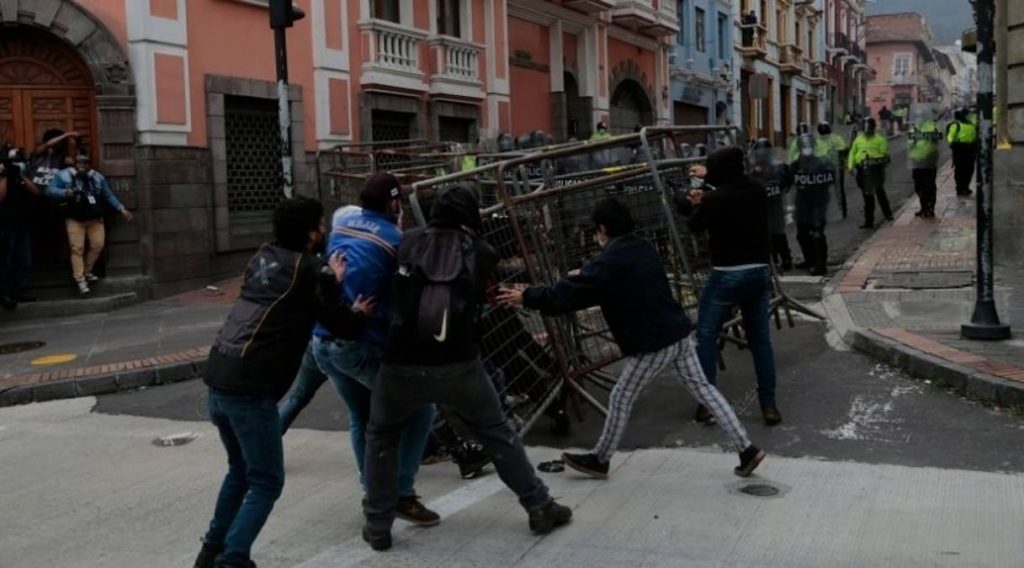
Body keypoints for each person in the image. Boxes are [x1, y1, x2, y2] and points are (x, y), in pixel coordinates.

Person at [362, 185, 572, 551]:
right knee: (497, 432)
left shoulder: (408, 241)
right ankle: (539, 504)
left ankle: (378, 524)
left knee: (381, 436)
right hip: (457, 364)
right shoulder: (483, 251)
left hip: (399, 364)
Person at [498, 197, 766, 480]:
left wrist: (526, 296)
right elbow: (597, 278)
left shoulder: (609, 262)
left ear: (602, 229)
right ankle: (746, 449)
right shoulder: (642, 247)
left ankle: (600, 459)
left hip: (654, 342)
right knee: (705, 390)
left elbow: (572, 292)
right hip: (676, 331)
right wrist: (585, 273)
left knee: (621, 395)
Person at [194, 196, 370, 568]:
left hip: (219, 377)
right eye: (320, 226)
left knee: (240, 471)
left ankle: (210, 552)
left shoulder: (261, 255)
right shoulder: (310, 271)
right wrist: (343, 293)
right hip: (250, 390)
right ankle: (233, 559)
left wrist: (326, 279)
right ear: (310, 233)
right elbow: (342, 325)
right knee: (266, 481)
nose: (324, 232)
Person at [309, 175, 439, 526]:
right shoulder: (395, 240)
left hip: (320, 342)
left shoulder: (342, 220)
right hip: (355, 344)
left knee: (360, 414)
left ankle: (372, 488)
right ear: (394, 205)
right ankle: (399, 493)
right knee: (420, 410)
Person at [682, 147, 783, 426]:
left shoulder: (714, 199)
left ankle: (707, 403)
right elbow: (734, 189)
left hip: (726, 275)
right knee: (760, 341)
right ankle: (769, 406)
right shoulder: (757, 191)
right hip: (759, 273)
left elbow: (694, 226)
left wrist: (697, 201)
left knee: (706, 335)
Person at [46, 153, 133, 295]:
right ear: (74, 162)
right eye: (79, 161)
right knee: (77, 248)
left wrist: (121, 208)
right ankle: (80, 280)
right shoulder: (64, 175)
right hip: (74, 218)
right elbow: (49, 190)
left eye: (85, 162)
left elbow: (108, 194)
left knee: (98, 245)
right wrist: (64, 192)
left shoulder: (97, 177)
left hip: (94, 217)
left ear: (89, 163)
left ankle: (87, 271)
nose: (82, 164)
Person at [0, 148, 41, 310]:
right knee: (6, 262)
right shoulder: (3, 177)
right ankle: (5, 294)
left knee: (24, 260)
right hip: (4, 226)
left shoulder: (16, 173)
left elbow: (35, 191)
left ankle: (18, 290)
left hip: (22, 223)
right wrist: (3, 176)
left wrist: (20, 175)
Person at [791, 134, 836, 276]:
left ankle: (821, 265)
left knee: (817, 233)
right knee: (802, 235)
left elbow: (831, 178)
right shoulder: (795, 165)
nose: (807, 149)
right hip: (802, 203)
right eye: (804, 147)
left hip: (819, 202)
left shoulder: (823, 163)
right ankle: (810, 260)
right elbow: (785, 181)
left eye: (809, 146)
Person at [748, 138, 792, 271]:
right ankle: (784, 259)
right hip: (774, 202)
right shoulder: (776, 164)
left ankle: (777, 260)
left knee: (771, 233)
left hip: (766, 203)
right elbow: (788, 180)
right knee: (777, 232)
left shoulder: (755, 166)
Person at [848, 118, 892, 229]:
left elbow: (885, 155)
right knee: (867, 196)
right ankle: (869, 221)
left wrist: (875, 159)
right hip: (862, 170)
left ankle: (888, 214)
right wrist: (850, 166)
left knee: (879, 192)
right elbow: (852, 153)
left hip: (875, 170)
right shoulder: (858, 140)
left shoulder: (880, 140)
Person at [908, 105, 942, 218]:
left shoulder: (932, 127)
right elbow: (909, 144)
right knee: (918, 186)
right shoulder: (914, 128)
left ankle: (930, 208)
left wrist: (932, 136)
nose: (918, 118)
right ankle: (923, 207)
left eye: (920, 116)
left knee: (929, 186)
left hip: (929, 161)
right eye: (917, 116)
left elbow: (938, 137)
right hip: (917, 161)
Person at [947, 108, 977, 197]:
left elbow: (974, 136)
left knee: (969, 170)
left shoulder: (971, 125)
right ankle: (960, 189)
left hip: (970, 151)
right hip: (959, 151)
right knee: (960, 171)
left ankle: (966, 187)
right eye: (967, 115)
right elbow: (950, 137)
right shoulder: (956, 125)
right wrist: (955, 144)